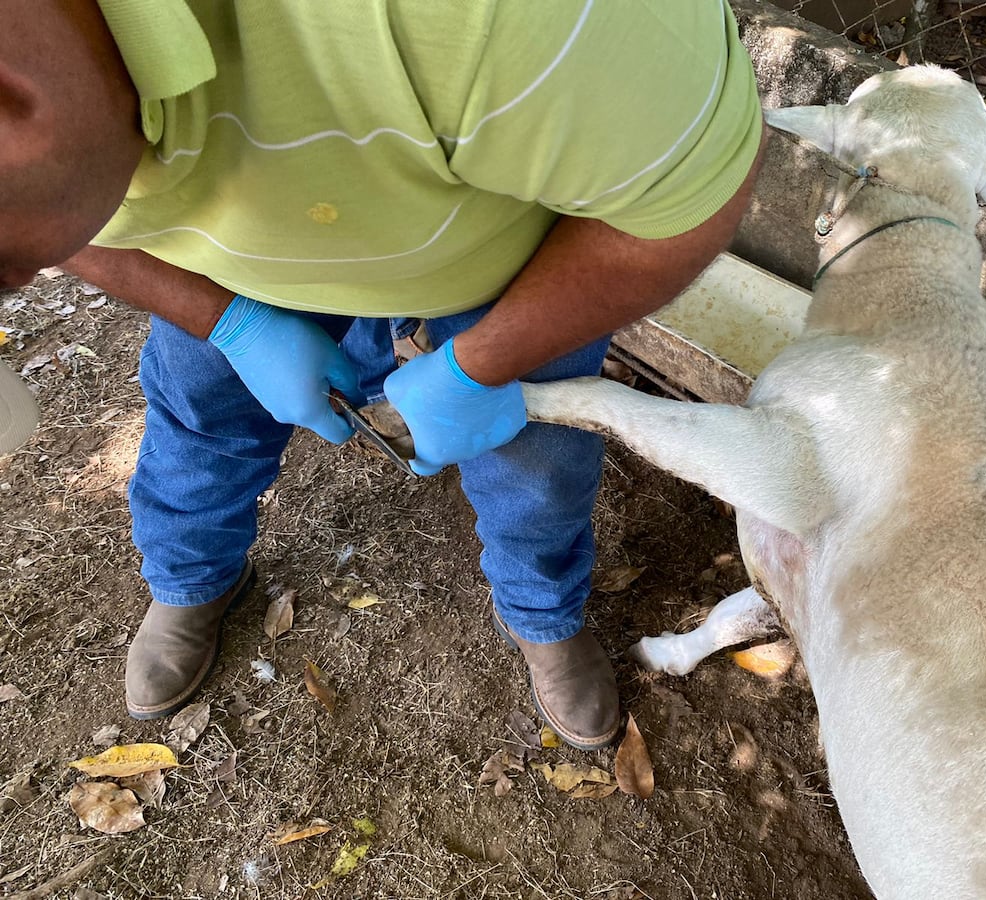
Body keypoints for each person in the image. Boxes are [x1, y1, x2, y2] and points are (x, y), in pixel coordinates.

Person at [0, 0, 765, 750]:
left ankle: (543, 614)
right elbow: (63, 230)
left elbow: (689, 205)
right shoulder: (42, 140)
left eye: (12, 268)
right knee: (201, 412)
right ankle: (191, 578)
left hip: (509, 258)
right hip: (221, 267)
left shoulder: (510, 19)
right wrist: (225, 321)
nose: (35, 279)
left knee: (537, 456)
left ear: (16, 101)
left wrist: (481, 365)